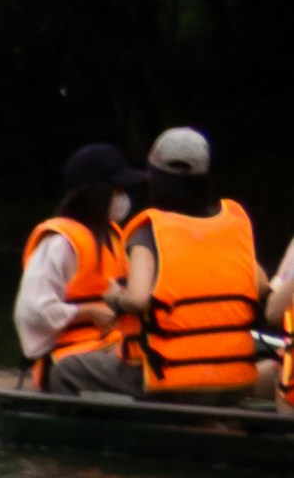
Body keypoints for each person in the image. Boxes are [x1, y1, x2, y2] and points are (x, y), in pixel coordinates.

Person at [111, 124, 269, 389]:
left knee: (69, 370)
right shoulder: (227, 226)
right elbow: (261, 286)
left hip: (172, 380)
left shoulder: (150, 230)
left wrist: (115, 297)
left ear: (155, 177)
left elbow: (137, 298)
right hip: (235, 378)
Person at [16, 143, 141, 389]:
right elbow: (31, 312)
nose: (124, 197)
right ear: (96, 193)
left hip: (116, 349)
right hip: (69, 362)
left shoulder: (115, 237)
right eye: (118, 189)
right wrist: (87, 312)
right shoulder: (60, 243)